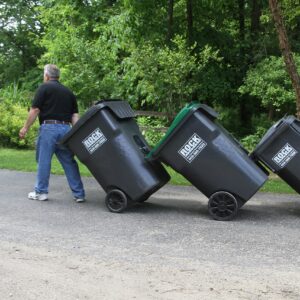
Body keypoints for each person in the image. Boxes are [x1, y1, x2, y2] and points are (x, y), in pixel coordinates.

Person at [19, 64, 86, 203]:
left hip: (49, 128)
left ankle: (41, 192)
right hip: (66, 130)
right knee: (69, 161)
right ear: (58, 76)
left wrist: (25, 127)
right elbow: (74, 115)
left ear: (47, 75)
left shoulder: (44, 87)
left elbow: (35, 110)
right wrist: (77, 132)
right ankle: (79, 194)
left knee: (44, 160)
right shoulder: (68, 92)